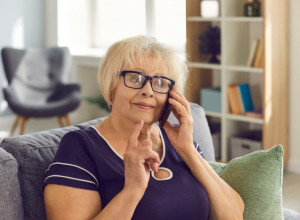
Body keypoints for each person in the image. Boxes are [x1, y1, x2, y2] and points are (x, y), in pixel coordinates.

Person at [44, 36, 244, 220]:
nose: (148, 90)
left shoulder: (180, 142)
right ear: (111, 86)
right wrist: (133, 190)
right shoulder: (80, 147)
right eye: (135, 78)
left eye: (160, 82)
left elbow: (234, 216)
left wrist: (188, 151)